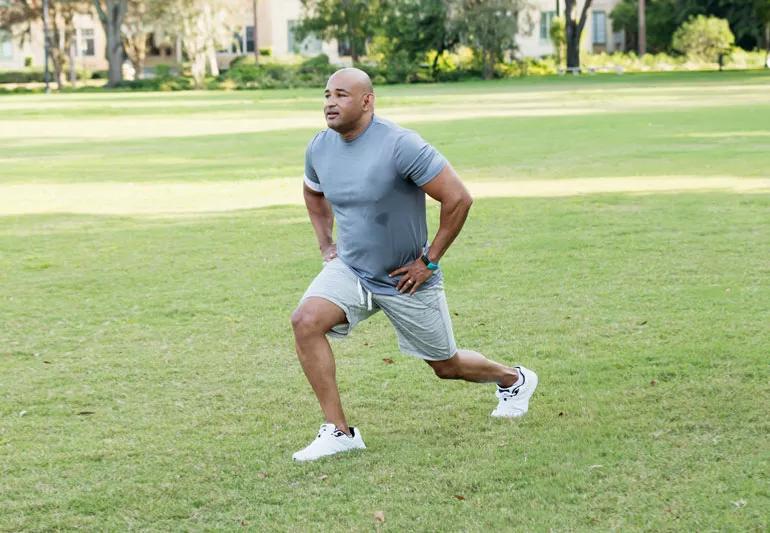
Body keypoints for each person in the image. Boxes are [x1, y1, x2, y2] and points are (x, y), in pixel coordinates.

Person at [291, 68, 538, 462]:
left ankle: (513, 379)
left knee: (447, 365)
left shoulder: (400, 145)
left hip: (405, 278)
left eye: (340, 95)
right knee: (305, 321)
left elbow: (458, 198)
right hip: (352, 269)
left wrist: (429, 261)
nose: (329, 103)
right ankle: (339, 432)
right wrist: (325, 244)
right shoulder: (319, 147)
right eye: (325, 95)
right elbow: (312, 192)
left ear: (367, 100)